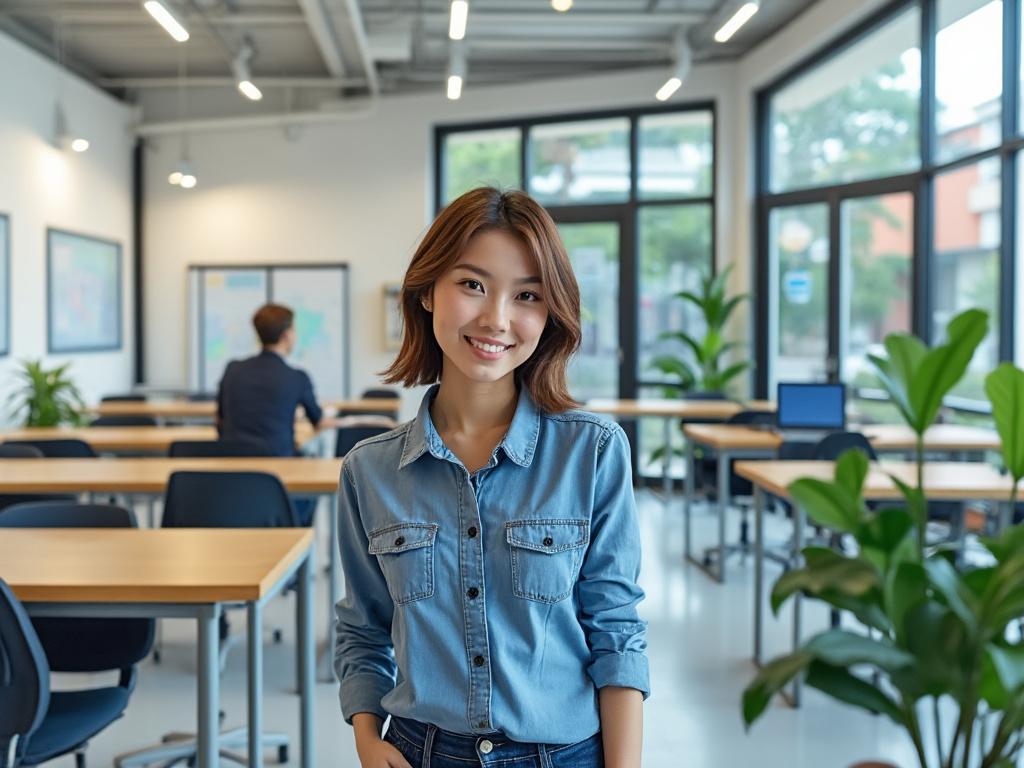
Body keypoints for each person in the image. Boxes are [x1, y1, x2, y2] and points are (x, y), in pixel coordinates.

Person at [334, 187, 648, 768]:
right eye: (472, 284)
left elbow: (616, 629)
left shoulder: (593, 451)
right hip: (419, 753)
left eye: (527, 295)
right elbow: (362, 629)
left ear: (549, 312)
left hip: (565, 753)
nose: (497, 319)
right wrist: (366, 739)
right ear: (428, 291)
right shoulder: (368, 471)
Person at [216, 303, 323, 522]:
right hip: (278, 481)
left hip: (229, 479)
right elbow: (318, 422)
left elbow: (220, 419)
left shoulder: (233, 369)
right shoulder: (296, 377)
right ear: (286, 335)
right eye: (293, 330)